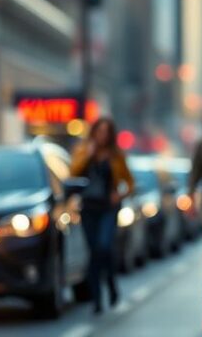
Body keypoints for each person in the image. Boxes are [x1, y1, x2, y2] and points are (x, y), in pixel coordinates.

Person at [71, 116, 134, 314]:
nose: (102, 136)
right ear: (94, 132)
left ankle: (111, 283)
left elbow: (130, 182)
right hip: (88, 208)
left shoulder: (116, 155)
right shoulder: (83, 150)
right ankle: (97, 299)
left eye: (106, 132)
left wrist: (120, 193)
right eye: (99, 131)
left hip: (108, 207)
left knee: (104, 246)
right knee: (94, 252)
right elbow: (72, 172)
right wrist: (88, 155)